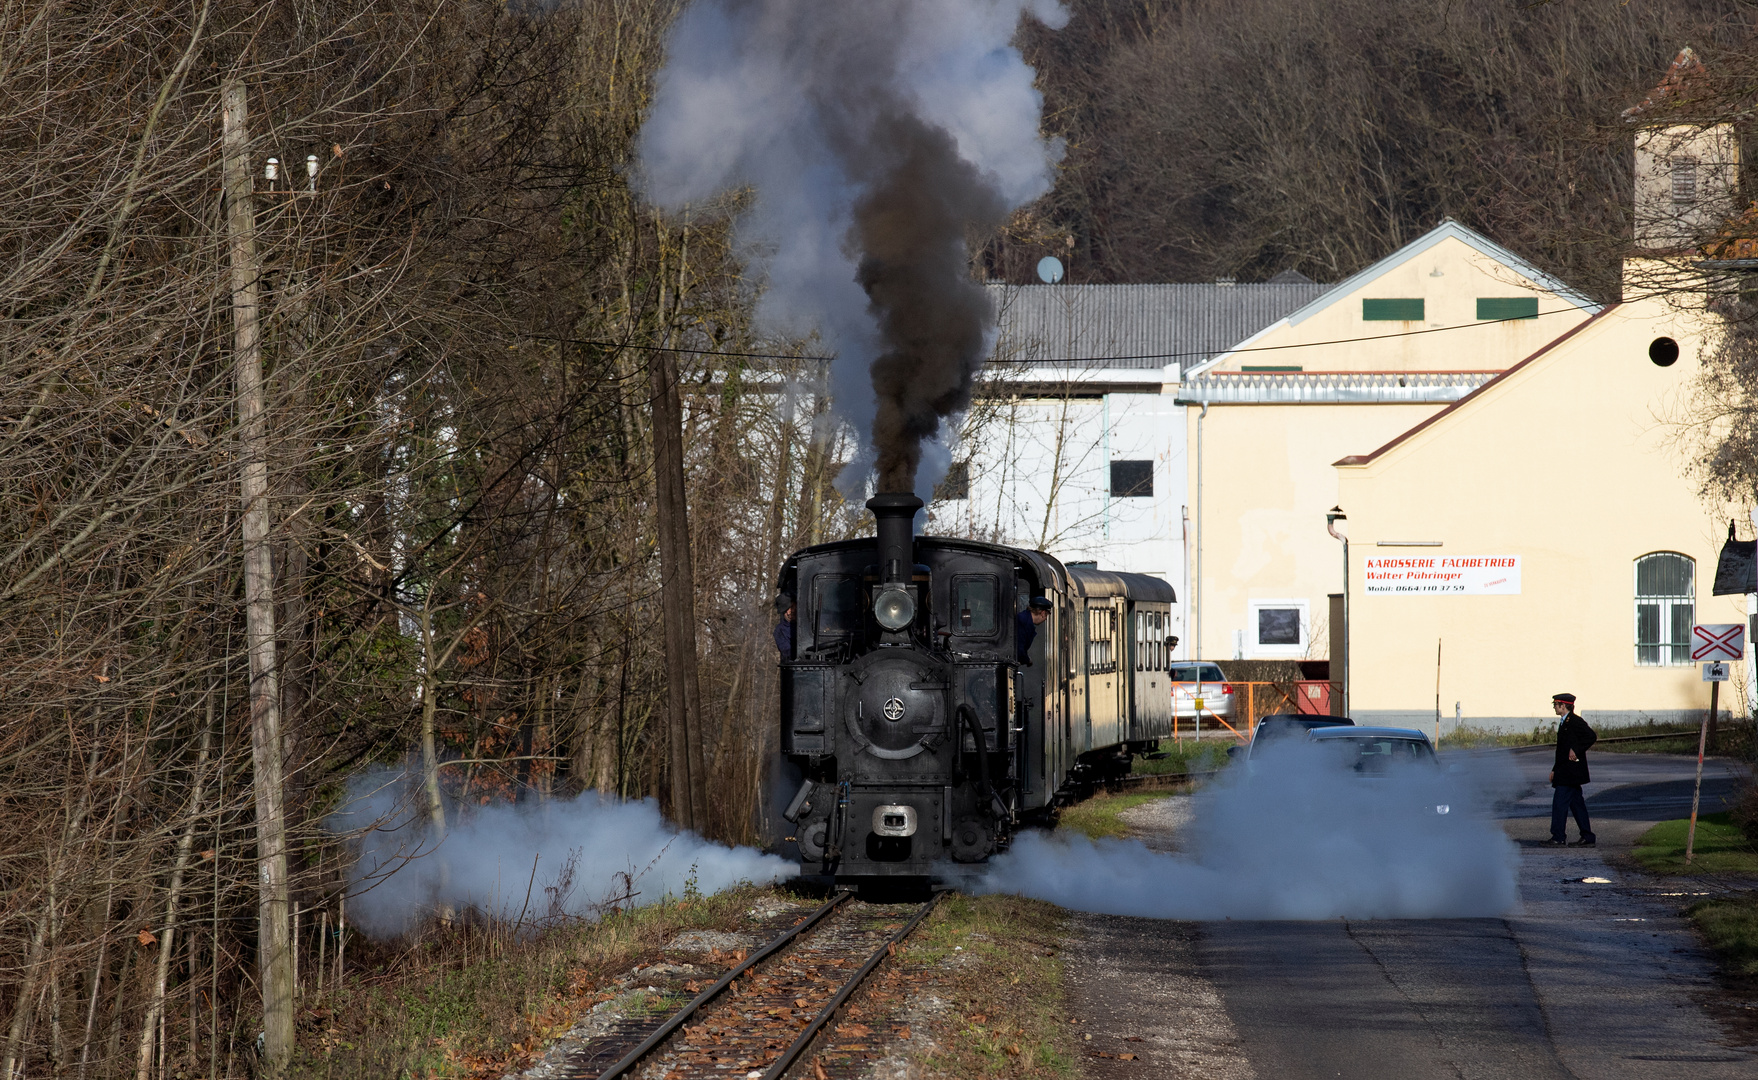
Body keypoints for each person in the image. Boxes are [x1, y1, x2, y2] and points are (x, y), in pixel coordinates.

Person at [1547, 692, 1597, 846]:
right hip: (1565, 771)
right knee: (1577, 805)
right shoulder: (1565, 722)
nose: (1554, 707)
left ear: (1563, 706)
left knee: (1559, 803)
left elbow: (1591, 736)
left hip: (1570, 772)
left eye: (1556, 704)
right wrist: (1554, 769)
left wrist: (1576, 749)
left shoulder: (1574, 721)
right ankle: (1587, 836)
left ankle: (1558, 837)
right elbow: (1561, 751)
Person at [1015, 596, 1051, 664]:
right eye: (1046, 615)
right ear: (1043, 613)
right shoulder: (1023, 622)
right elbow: (1019, 649)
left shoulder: (1024, 619)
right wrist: (1027, 660)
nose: (1045, 619)